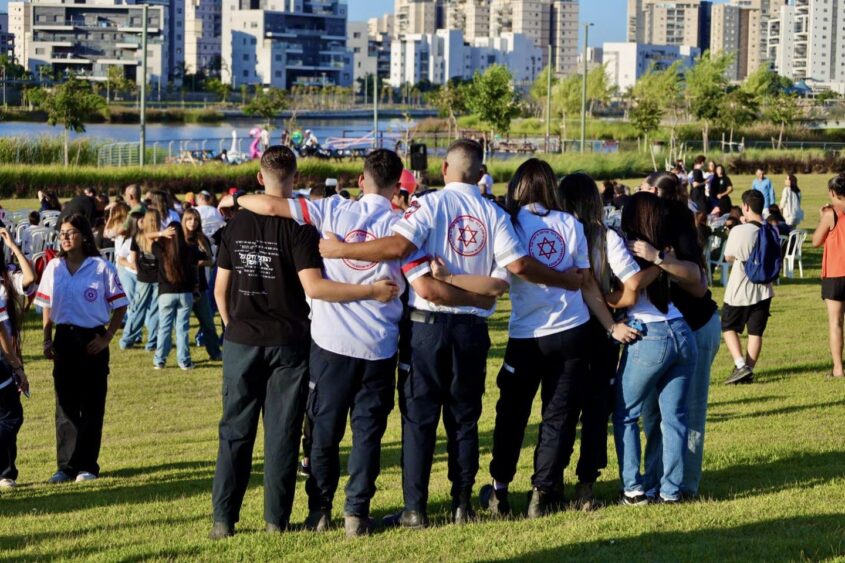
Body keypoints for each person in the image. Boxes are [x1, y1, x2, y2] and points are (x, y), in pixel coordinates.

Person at [319, 139, 599, 528]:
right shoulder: (495, 213)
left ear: (446, 169)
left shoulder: (430, 204)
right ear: (481, 174)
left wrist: (337, 252)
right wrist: (478, 296)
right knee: (464, 419)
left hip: (426, 329)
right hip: (472, 328)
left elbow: (401, 248)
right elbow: (502, 280)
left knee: (419, 420)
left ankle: (415, 508)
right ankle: (462, 504)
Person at [218, 149, 417, 536]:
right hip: (376, 343)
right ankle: (353, 512)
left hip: (327, 342)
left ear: (361, 180)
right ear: (398, 187)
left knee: (319, 432)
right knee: (364, 434)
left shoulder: (329, 210)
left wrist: (239, 196)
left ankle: (317, 510)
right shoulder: (403, 222)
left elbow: (270, 209)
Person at [477, 164, 640, 519]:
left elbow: (511, 271)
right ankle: (542, 491)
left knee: (512, 414)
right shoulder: (568, 222)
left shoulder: (511, 222)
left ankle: (500, 489)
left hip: (528, 334)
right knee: (558, 416)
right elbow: (584, 280)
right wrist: (608, 324)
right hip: (572, 330)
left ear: (517, 187)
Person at [557, 173, 651, 510]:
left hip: (563, 328)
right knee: (596, 411)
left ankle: (549, 483)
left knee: (560, 410)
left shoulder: (556, 232)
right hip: (600, 332)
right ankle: (585, 487)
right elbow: (632, 283)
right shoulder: (605, 236)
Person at [634, 173, 720, 500]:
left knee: (688, 411)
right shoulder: (639, 226)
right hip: (660, 333)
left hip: (695, 327)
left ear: (656, 193)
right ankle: (656, 480)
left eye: (643, 190)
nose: (637, 197)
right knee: (653, 412)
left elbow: (698, 283)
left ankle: (685, 485)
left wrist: (659, 259)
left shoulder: (680, 222)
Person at [614, 191, 698, 505]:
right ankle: (670, 491)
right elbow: (696, 276)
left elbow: (628, 293)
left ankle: (634, 490)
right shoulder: (664, 250)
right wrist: (662, 260)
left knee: (625, 415)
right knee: (674, 418)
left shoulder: (628, 249)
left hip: (649, 334)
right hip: (681, 331)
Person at [36, 214, 128, 484]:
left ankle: (87, 465)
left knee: (91, 404)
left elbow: (121, 304)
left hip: (92, 341)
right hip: (64, 339)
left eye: (70, 232)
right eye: (61, 232)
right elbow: (46, 306)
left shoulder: (101, 268)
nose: (64, 237)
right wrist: (46, 338)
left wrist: (107, 337)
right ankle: (65, 466)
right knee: (65, 406)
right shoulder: (54, 267)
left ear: (85, 236)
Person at [722, 190, 775, 385]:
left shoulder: (739, 230)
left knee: (728, 326)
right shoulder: (771, 230)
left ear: (745, 206)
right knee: (755, 331)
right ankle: (749, 370)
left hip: (740, 287)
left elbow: (728, 257)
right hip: (764, 288)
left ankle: (740, 364)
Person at [0, 227, 34, 489]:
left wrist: (14, 247)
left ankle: (6, 473)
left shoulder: (7, 278)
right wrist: (16, 365)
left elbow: (30, 278)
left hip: (9, 350)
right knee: (10, 416)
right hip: (4, 355)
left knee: (9, 415)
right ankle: (5, 473)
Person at [152, 217, 203, 370]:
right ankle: (184, 361)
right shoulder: (190, 250)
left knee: (164, 328)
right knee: (182, 329)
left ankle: (160, 360)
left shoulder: (160, 249)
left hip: (166, 293)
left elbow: (143, 237)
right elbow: (203, 258)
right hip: (185, 293)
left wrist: (161, 233)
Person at [118, 210, 173, 351]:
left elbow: (134, 258)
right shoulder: (158, 236)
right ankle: (150, 343)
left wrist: (139, 272)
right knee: (151, 310)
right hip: (153, 278)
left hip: (147, 278)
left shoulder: (142, 236)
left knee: (139, 309)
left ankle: (129, 340)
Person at [812, 174, 845, 379]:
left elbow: (816, 240)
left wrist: (821, 216)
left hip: (835, 273)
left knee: (835, 322)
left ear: (833, 192)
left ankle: (838, 368)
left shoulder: (831, 213)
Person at [181, 209, 221, 362]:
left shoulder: (202, 239)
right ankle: (184, 357)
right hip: (183, 288)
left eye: (195, 219)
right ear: (184, 221)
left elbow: (211, 260)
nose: (193, 222)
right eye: (189, 219)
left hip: (201, 287)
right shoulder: (179, 239)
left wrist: (200, 263)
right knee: (182, 325)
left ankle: (215, 353)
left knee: (208, 323)